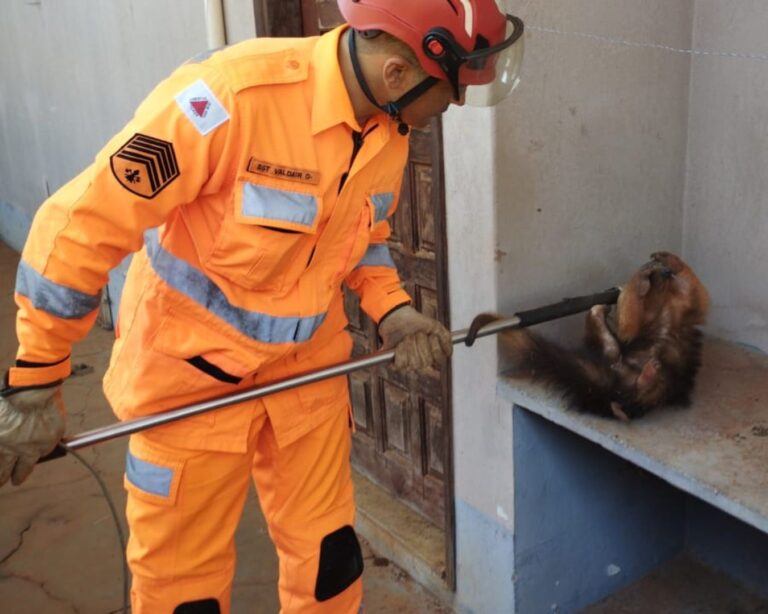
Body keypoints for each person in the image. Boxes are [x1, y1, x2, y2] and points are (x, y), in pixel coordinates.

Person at [0, 0, 524, 612]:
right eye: (453, 92)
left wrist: (394, 312)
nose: (453, 107)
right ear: (399, 75)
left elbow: (362, 237)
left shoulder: (388, 132)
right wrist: (36, 376)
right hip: (188, 391)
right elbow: (80, 225)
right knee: (182, 594)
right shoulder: (228, 100)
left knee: (331, 563)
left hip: (307, 379)